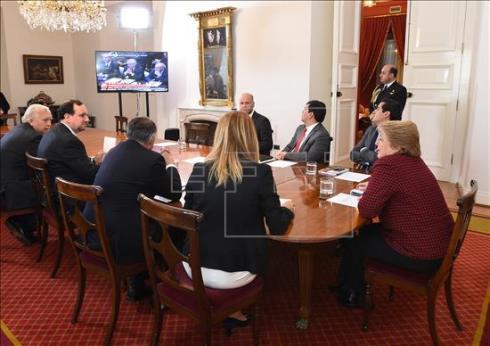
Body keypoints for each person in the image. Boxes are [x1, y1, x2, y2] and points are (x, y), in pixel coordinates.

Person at [184, 111, 294, 327]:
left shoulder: (200, 169)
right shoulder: (260, 172)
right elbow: (278, 227)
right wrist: (288, 210)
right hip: (235, 272)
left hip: (193, 264)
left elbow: (188, 215)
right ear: (249, 137)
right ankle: (232, 307)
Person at [336, 121, 454, 308]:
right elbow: (401, 189)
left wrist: (372, 191)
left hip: (418, 252)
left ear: (399, 146)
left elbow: (367, 210)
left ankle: (350, 293)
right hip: (438, 245)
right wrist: (377, 188)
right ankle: (349, 281)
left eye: (382, 139)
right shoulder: (414, 161)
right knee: (361, 233)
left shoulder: (388, 165)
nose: (376, 144)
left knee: (353, 239)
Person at [83, 117, 182, 301]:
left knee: (136, 213)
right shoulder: (153, 160)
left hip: (95, 231)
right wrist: (170, 163)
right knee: (176, 227)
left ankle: (139, 280)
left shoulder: (113, 152)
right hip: (119, 243)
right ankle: (168, 286)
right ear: (152, 140)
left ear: (128, 134)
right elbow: (174, 193)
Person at [1, 104, 53, 245]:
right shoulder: (33, 137)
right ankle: (24, 223)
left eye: (50, 120)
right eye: (45, 120)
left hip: (5, 181)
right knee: (55, 185)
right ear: (30, 120)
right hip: (12, 188)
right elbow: (43, 165)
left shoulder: (19, 129)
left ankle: (26, 222)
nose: (49, 124)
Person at [37, 99, 103, 192]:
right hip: (69, 197)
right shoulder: (68, 141)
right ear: (67, 117)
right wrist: (106, 164)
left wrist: (94, 160)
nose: (87, 119)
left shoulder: (53, 131)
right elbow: (90, 173)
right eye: (82, 115)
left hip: (56, 190)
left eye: (87, 115)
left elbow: (74, 162)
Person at [350, 99, 400, 169]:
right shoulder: (371, 129)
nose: (374, 111)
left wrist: (364, 151)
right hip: (365, 172)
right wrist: (368, 160)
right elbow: (353, 154)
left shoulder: (395, 133)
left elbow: (382, 160)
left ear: (386, 114)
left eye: (378, 109)